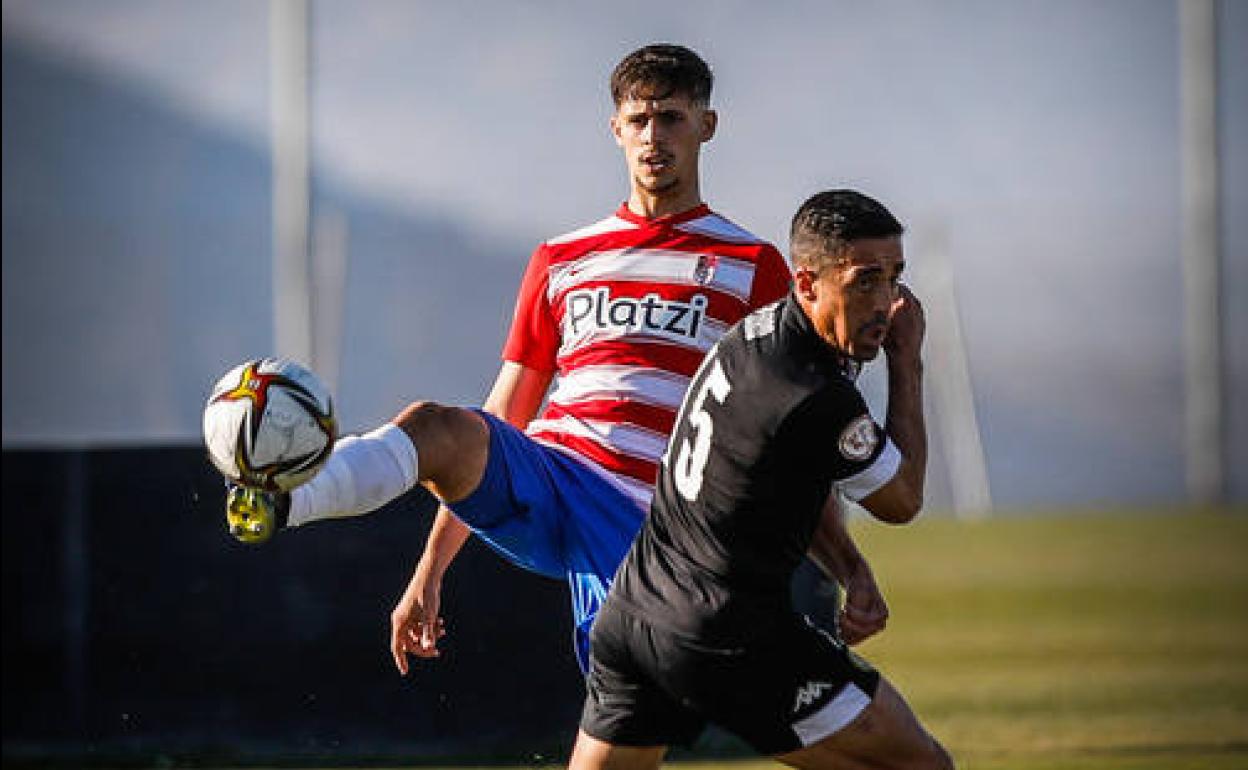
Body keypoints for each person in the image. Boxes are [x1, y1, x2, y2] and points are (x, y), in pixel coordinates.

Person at [223, 44, 887, 675]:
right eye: (639, 119)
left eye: (671, 118)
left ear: (705, 126)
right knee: (435, 427)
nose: (654, 136)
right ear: (616, 129)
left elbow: (790, 435)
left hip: (652, 523)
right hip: (552, 473)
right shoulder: (562, 258)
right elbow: (507, 408)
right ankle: (286, 497)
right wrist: (429, 574)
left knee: (627, 713)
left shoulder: (752, 268)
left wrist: (850, 568)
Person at [569, 190, 953, 769]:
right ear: (807, 282)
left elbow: (787, 473)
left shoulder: (758, 333)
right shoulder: (813, 393)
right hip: (726, 633)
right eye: (864, 281)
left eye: (895, 278)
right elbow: (901, 500)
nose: (886, 303)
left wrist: (849, 567)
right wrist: (908, 361)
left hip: (634, 617)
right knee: (920, 766)